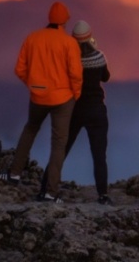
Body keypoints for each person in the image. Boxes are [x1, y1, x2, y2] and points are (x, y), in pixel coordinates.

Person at [0, 0, 82, 204]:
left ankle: (15, 173)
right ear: (65, 20)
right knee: (58, 143)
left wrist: (34, 85)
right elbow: (76, 74)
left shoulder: (32, 38)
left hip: (37, 96)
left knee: (30, 129)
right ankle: (50, 193)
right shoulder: (69, 43)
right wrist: (76, 94)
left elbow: (19, 69)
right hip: (63, 98)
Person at [53, 20, 113, 205]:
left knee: (61, 150)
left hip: (75, 110)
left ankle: (46, 189)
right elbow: (106, 77)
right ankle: (103, 194)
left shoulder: (69, 60)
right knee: (99, 154)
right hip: (96, 110)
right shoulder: (98, 57)